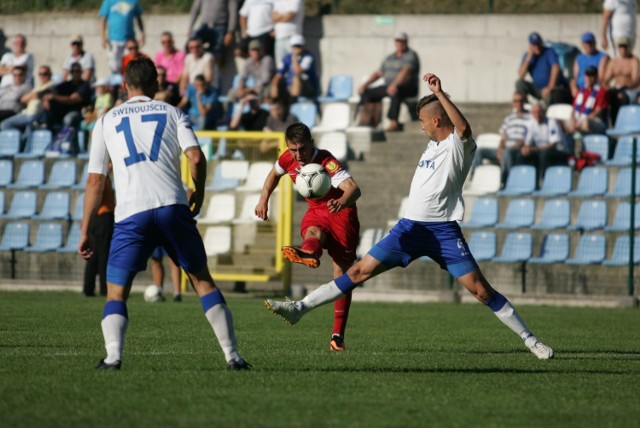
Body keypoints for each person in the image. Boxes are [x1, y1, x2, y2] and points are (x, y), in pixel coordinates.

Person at [264, 73, 555, 361]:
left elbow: (463, 128)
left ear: (437, 120)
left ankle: (531, 339)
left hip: (442, 232)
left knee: (481, 291)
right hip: (408, 229)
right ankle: (299, 308)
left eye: (423, 121)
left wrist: (441, 94)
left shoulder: (458, 147)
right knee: (356, 272)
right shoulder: (431, 146)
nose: (421, 127)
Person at [78, 57, 249, 370]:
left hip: (131, 213)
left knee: (116, 292)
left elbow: (95, 180)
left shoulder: (105, 121)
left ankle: (113, 357)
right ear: (156, 85)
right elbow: (195, 157)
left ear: (124, 86)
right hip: (172, 206)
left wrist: (85, 229)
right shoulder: (173, 112)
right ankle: (233, 357)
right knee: (202, 282)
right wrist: (198, 191)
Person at [256, 122, 361, 351]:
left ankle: (337, 336)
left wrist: (341, 201)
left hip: (342, 214)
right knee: (313, 232)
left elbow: (354, 189)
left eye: (302, 149)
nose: (298, 155)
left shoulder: (326, 161)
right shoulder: (288, 159)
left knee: (341, 276)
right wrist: (263, 199)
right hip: (317, 211)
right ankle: (309, 252)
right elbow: (273, 175)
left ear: (311, 144)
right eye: (293, 150)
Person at [357, 32, 420, 132]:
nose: (400, 43)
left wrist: (394, 84)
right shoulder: (390, 57)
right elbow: (378, 73)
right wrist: (365, 84)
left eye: (402, 41)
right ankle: (368, 121)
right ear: (395, 42)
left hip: (407, 87)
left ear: (406, 42)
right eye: (398, 41)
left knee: (395, 91)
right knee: (368, 93)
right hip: (388, 86)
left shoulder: (411, 55)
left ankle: (393, 122)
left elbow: (405, 72)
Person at [0, 65, 54, 144]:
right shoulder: (39, 86)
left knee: (5, 125)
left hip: (29, 114)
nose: (42, 76)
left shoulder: (50, 85)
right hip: (26, 112)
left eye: (45, 74)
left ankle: (21, 139)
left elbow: (24, 98)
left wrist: (34, 95)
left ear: (50, 74)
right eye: (40, 74)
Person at [519, 103, 570, 185]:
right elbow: (527, 142)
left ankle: (543, 181)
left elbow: (553, 145)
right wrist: (526, 149)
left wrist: (534, 149)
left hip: (559, 151)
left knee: (543, 155)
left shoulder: (551, 122)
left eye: (540, 112)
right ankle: (525, 182)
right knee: (522, 155)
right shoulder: (531, 123)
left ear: (544, 112)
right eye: (535, 112)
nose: (538, 115)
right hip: (541, 151)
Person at [516, 32, 571, 105]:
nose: (537, 47)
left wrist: (550, 87)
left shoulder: (549, 51)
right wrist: (528, 58)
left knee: (553, 95)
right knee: (519, 83)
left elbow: (555, 68)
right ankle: (524, 106)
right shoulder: (527, 56)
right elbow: (520, 76)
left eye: (538, 44)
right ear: (530, 45)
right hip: (538, 89)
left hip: (552, 88)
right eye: (534, 45)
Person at [83, 174, 115, 297]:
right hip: (104, 217)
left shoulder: (100, 177)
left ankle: (88, 288)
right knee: (104, 255)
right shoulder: (102, 178)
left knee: (94, 255)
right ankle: (104, 289)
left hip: (96, 218)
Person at [496, 91, 533, 187]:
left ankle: (509, 182)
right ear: (512, 103)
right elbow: (503, 137)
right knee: (479, 152)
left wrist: (518, 144)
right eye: (516, 101)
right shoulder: (509, 119)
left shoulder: (530, 117)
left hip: (518, 148)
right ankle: (469, 181)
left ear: (524, 102)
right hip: (506, 148)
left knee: (507, 153)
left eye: (521, 100)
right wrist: (500, 148)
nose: (519, 103)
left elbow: (529, 136)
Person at [99, 0, 145, 75]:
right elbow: (103, 19)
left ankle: (129, 81)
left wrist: (142, 33)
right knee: (114, 65)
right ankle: (116, 84)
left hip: (129, 40)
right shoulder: (108, 1)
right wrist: (103, 37)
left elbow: (138, 17)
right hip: (113, 40)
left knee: (129, 64)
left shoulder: (133, 1)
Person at [42, 62, 92, 131]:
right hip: (64, 111)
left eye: (77, 71)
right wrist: (46, 99)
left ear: (81, 72)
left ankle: (65, 140)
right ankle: (52, 136)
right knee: (46, 112)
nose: (75, 73)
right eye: (72, 71)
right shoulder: (66, 85)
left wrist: (54, 97)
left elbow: (72, 100)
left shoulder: (85, 85)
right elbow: (48, 92)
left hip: (79, 113)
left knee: (68, 118)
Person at [270, 35, 319, 103]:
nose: (296, 48)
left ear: (303, 46)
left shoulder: (308, 57)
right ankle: (275, 102)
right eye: (294, 46)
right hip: (290, 85)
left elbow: (298, 71)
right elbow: (279, 73)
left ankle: (293, 102)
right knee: (275, 80)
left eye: (298, 46)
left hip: (307, 86)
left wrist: (294, 58)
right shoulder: (287, 57)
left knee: (296, 78)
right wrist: (275, 82)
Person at [187, 0, 237, 65]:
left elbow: (233, 11)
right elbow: (195, 9)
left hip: (220, 26)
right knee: (190, 45)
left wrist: (230, 31)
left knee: (217, 51)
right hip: (204, 26)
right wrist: (190, 27)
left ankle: (215, 72)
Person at [603, 36, 640, 122]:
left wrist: (625, 86)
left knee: (621, 97)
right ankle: (612, 122)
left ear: (629, 47)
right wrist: (607, 86)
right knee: (606, 96)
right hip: (616, 89)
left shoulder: (634, 61)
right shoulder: (613, 62)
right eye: (621, 46)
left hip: (630, 89)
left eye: (625, 46)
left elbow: (636, 80)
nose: (623, 49)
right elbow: (606, 79)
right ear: (618, 48)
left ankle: (623, 122)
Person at [567, 66, 609, 136]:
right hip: (579, 118)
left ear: (596, 77)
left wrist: (582, 121)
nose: (589, 79)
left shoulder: (601, 91)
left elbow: (598, 112)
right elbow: (573, 110)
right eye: (587, 76)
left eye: (592, 76)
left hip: (595, 120)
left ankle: (586, 143)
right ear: (584, 77)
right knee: (561, 122)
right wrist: (573, 120)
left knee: (586, 122)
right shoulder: (581, 91)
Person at [570, 32, 609, 97]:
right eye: (586, 43)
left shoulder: (602, 57)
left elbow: (601, 77)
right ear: (583, 44)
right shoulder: (579, 58)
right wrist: (573, 88)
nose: (588, 45)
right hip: (580, 89)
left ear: (595, 43)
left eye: (590, 43)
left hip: (594, 89)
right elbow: (574, 77)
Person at [272, 0, 304, 65]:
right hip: (279, 38)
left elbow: (289, 17)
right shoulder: (278, 1)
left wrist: (279, 16)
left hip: (293, 38)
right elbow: (273, 17)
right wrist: (284, 15)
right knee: (280, 65)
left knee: (294, 65)